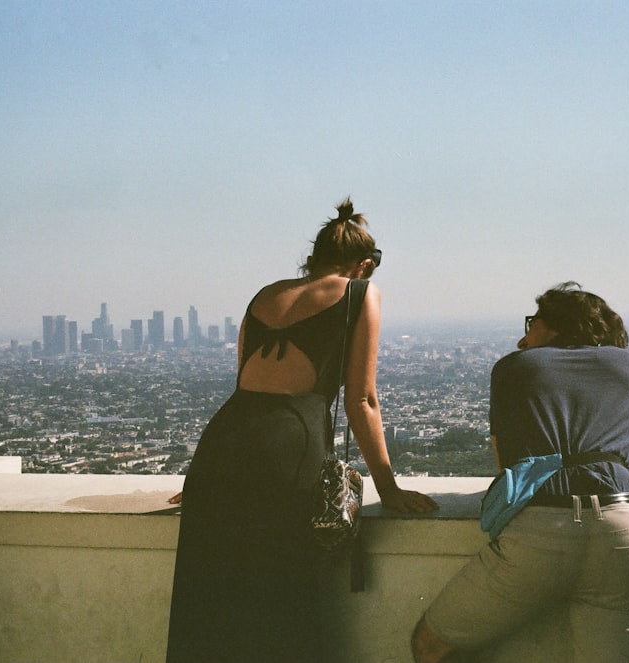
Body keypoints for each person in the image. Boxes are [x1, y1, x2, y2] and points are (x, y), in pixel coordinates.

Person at [166, 198, 438, 663]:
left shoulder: (265, 294)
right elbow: (361, 400)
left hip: (222, 447)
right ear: (364, 265)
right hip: (291, 447)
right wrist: (388, 488)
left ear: (312, 257)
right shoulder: (360, 293)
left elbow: (245, 383)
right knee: (284, 600)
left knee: (210, 601)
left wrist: (204, 480)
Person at [412, 281, 629, 663]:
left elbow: (506, 466)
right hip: (623, 529)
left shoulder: (515, 367)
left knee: (431, 644)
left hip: (542, 528)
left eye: (531, 324)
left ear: (556, 324)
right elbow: (627, 453)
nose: (523, 340)